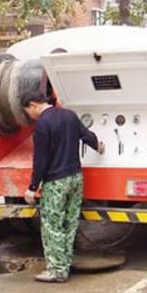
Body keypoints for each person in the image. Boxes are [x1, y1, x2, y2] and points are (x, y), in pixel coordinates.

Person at [23, 93, 104, 283]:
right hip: (76, 178)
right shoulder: (69, 115)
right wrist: (97, 146)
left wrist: (32, 187)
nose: (29, 115)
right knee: (70, 223)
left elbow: (41, 161)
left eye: (27, 111)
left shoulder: (42, 124)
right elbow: (87, 136)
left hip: (56, 182)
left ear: (34, 105)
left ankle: (57, 270)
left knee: (52, 225)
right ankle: (64, 264)